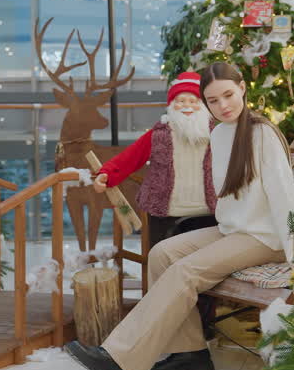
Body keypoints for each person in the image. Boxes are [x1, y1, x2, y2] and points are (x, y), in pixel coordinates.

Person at [65, 62, 294, 370]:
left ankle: (118, 358)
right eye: (213, 101)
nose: (223, 106)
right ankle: (190, 353)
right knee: (161, 254)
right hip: (233, 230)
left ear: (243, 88)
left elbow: (285, 196)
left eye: (228, 95)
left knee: (185, 270)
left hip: (264, 237)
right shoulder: (218, 133)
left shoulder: (262, 133)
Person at [92, 71, 218, 250]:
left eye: (193, 101)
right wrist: (107, 174)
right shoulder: (159, 135)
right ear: (172, 105)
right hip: (165, 214)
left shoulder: (217, 134)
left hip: (208, 213)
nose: (186, 106)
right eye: (180, 101)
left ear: (203, 105)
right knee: (163, 259)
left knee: (206, 261)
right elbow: (131, 157)